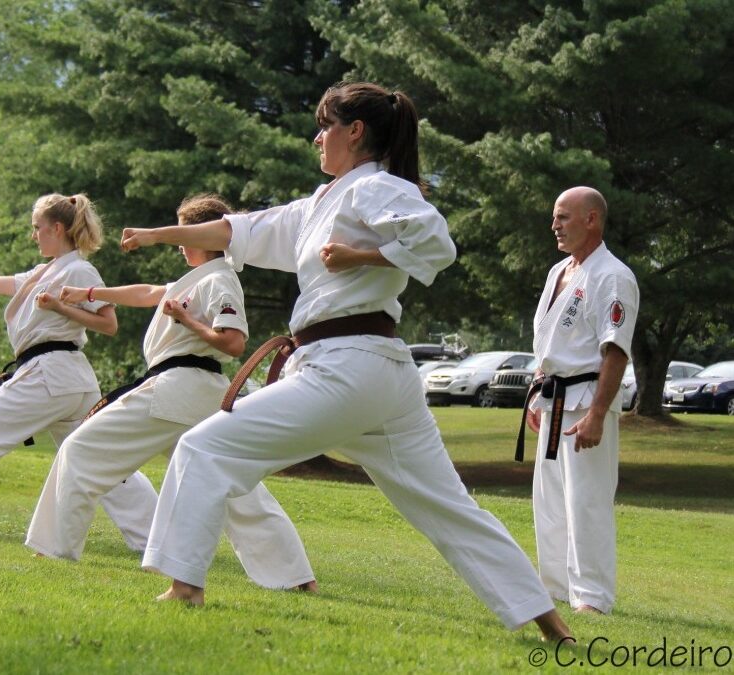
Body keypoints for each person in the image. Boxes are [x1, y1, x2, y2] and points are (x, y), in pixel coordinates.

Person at [118, 82, 572, 640]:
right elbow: (243, 229)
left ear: (354, 132)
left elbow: (435, 242)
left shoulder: (374, 187)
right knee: (448, 505)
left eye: (324, 125)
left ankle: (184, 588)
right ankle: (553, 627)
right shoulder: (322, 203)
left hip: (349, 366)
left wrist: (362, 253)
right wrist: (159, 234)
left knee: (202, 447)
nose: (316, 137)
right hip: (374, 373)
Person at [25, 195, 317, 592]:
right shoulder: (202, 277)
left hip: (177, 389)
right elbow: (149, 293)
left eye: (185, 233)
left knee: (81, 451)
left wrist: (186, 321)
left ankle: (54, 551)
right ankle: (295, 578)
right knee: (236, 489)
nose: (180, 243)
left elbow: (233, 342)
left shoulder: (217, 279)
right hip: (195, 393)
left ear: (205, 236)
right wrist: (91, 295)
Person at [0, 193, 156, 549]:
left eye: (36, 228)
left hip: (50, 374)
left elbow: (108, 324)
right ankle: (155, 539)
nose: (33, 235)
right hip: (69, 380)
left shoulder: (79, 269)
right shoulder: (45, 271)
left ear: (56, 228)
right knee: (98, 460)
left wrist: (60, 307)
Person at [520, 186, 639, 615]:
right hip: (553, 401)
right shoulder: (558, 272)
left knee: (586, 502)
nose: (555, 225)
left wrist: (597, 415)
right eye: (555, 217)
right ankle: (552, 587)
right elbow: (549, 344)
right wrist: (537, 394)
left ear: (592, 219)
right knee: (549, 502)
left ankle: (591, 597)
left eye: (564, 217)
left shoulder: (613, 275)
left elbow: (616, 350)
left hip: (586, 402)